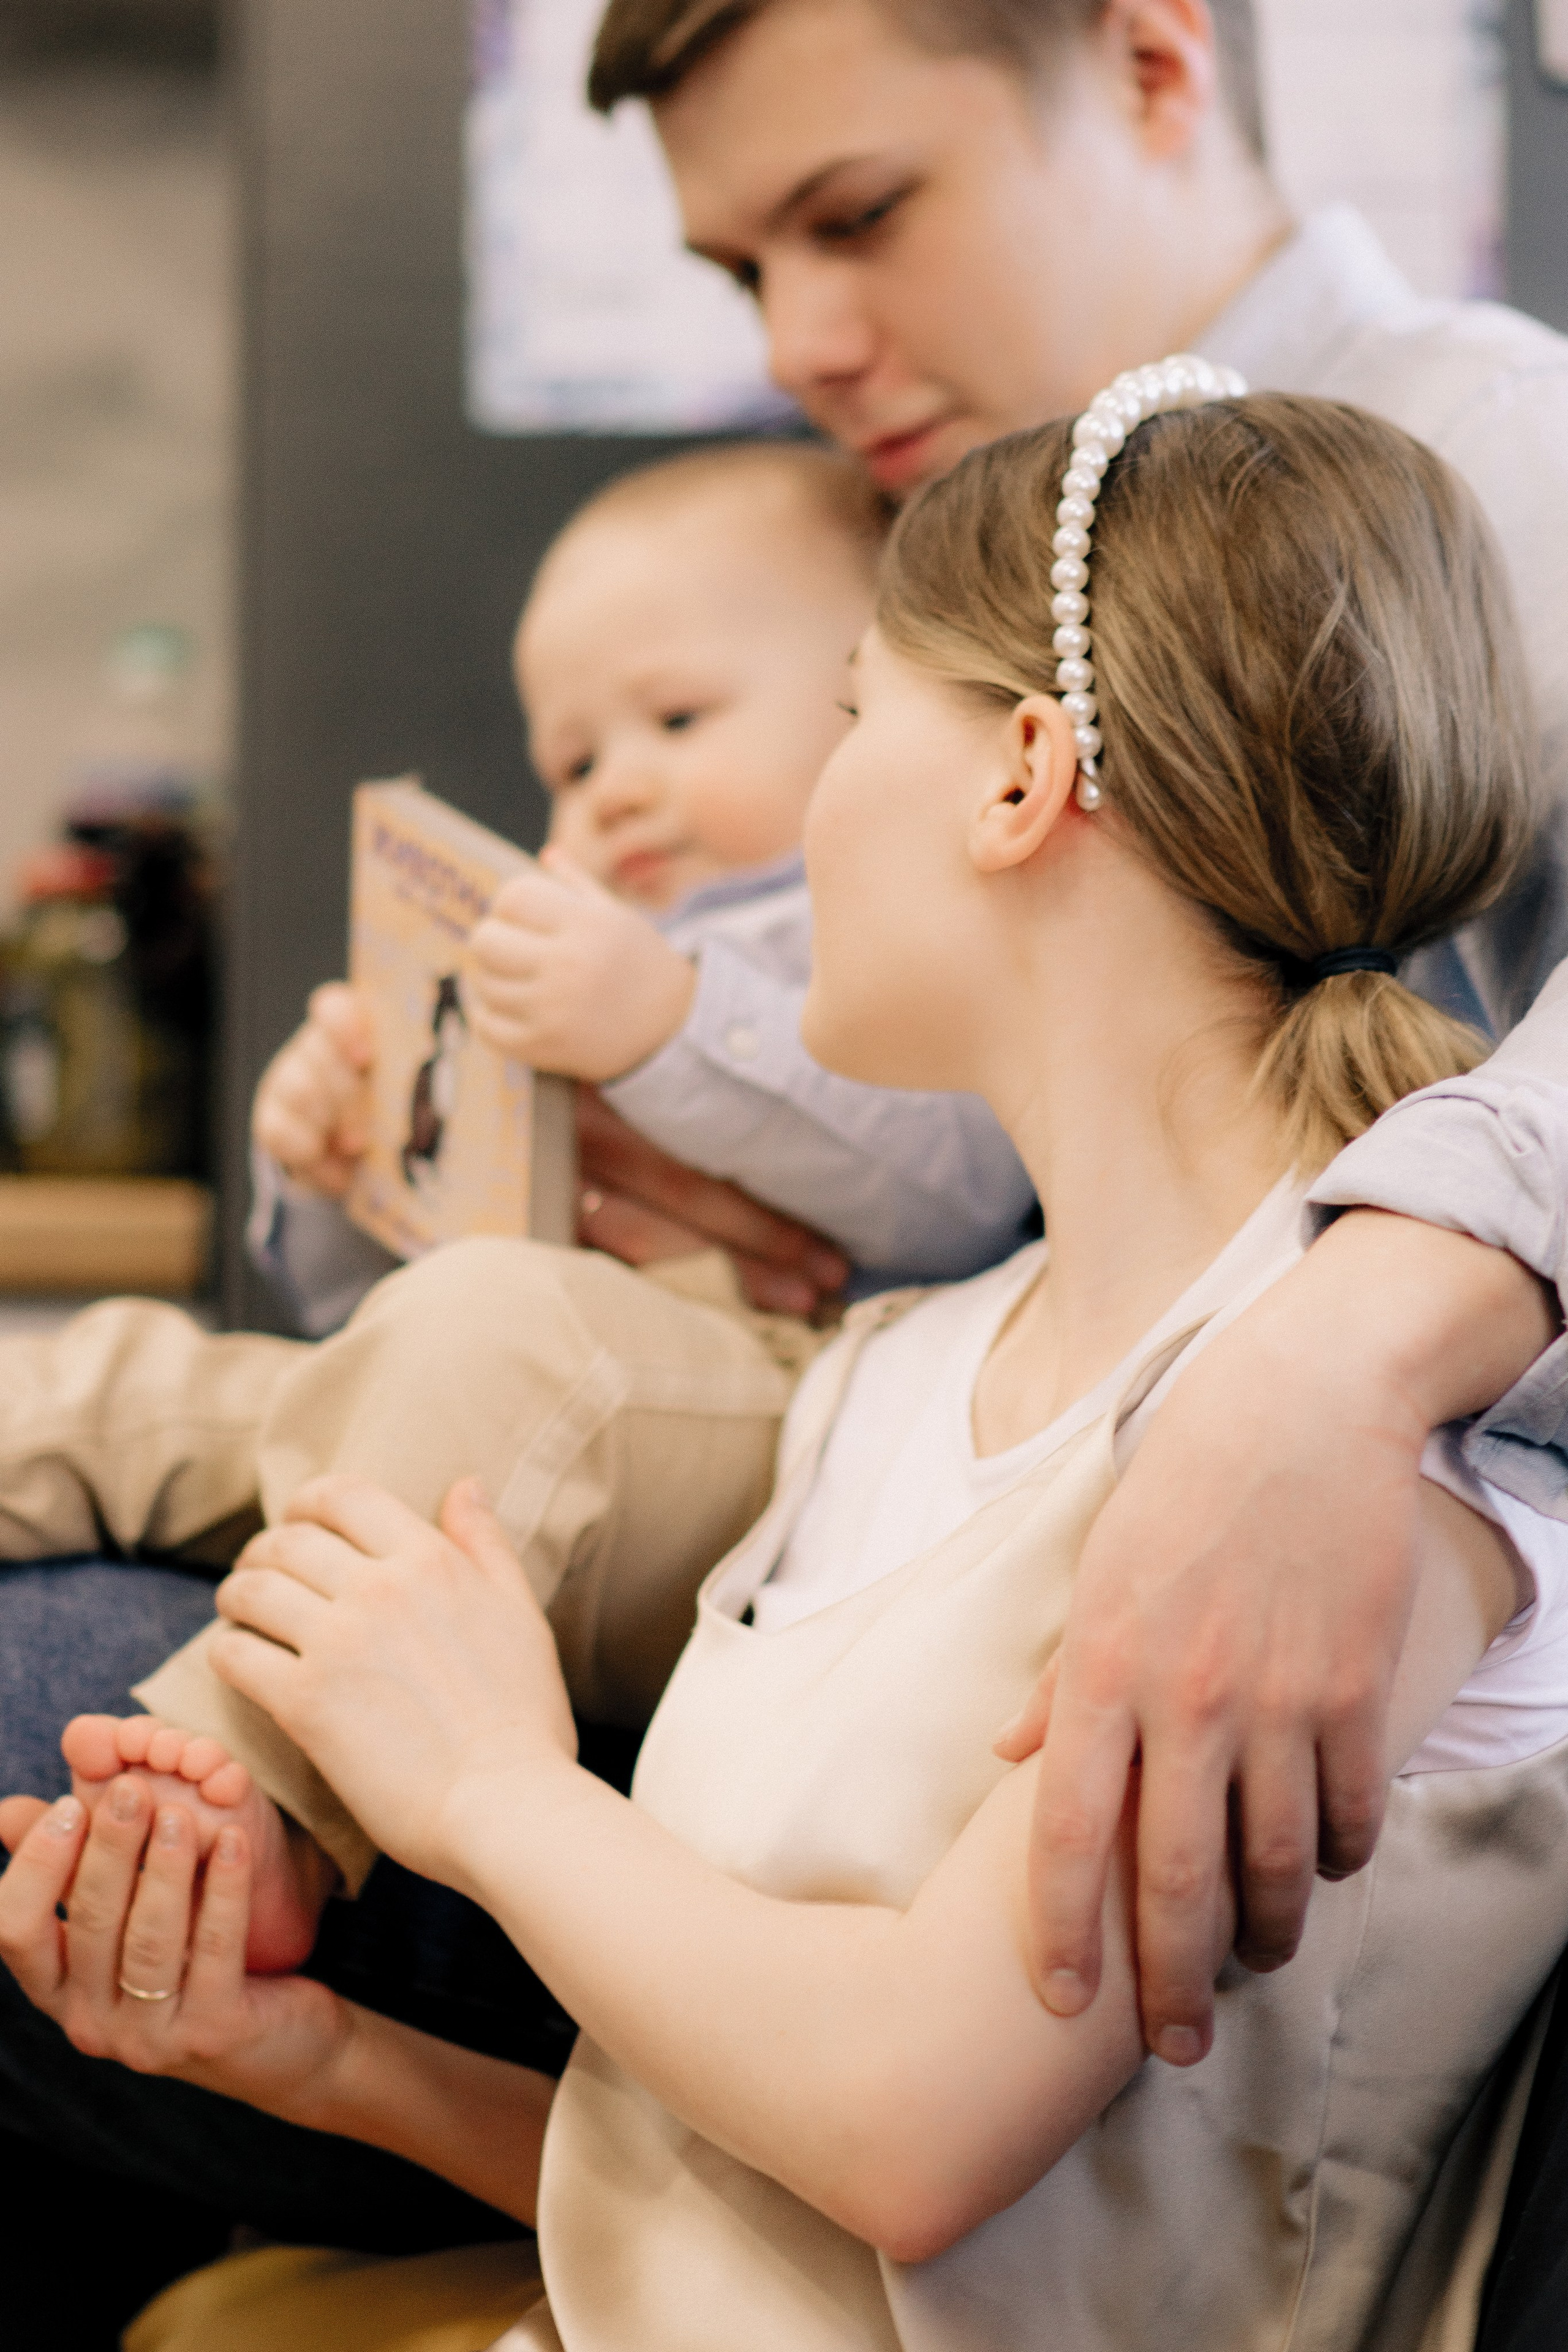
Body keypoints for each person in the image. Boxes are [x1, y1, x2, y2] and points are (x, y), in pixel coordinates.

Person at [8, 379, 1566, 2352]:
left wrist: (489, 1785)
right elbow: (766, 2221)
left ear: (1018, 778)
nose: (811, 806)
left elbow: (913, 2131)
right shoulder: (890, 1379)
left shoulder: (1337, 1499)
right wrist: (308, 2060)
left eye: (848, 716)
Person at [584, 0, 1568, 2073]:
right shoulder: (919, 557)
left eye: (859, 214)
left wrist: (1337, 1347)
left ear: (1149, 58)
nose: (797, 342)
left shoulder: (1502, 468)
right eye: (745, 270)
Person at [0, 439, 1032, 2233]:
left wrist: (669, 1025)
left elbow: (949, 1173)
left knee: (490, 1327)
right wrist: (329, 1155)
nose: (613, 788)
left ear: (890, 704)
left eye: (678, 719)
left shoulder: (867, 919)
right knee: (130, 1370)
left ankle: (247, 1795)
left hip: (792, 1421)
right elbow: (365, 1330)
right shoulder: (583, 937)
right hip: (506, 1421)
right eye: (571, 757)